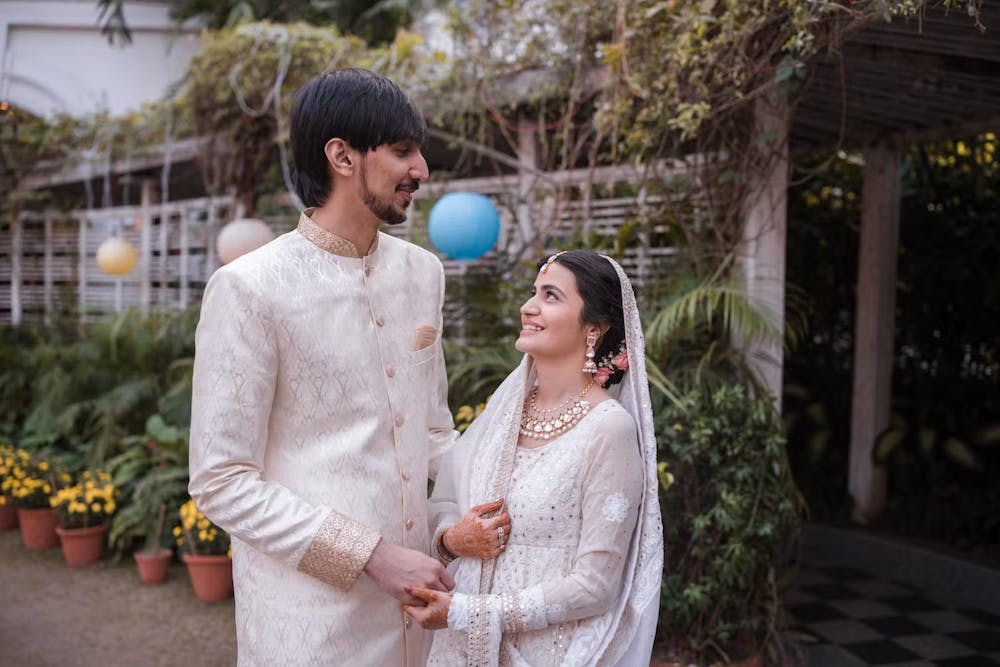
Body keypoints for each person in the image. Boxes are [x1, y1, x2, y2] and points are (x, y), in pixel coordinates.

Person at [188, 68, 458, 666]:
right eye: (402, 151)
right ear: (342, 155)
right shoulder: (250, 287)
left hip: (421, 612)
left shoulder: (423, 273)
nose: (421, 170)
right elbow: (221, 480)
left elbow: (434, 431)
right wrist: (372, 556)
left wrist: (519, 482)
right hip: (309, 624)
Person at [405, 250, 663, 666]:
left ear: (594, 328)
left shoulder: (608, 430)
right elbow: (446, 507)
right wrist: (452, 540)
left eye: (551, 296)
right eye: (533, 292)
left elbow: (596, 586)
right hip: (458, 651)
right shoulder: (503, 416)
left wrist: (467, 612)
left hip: (549, 654)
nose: (529, 307)